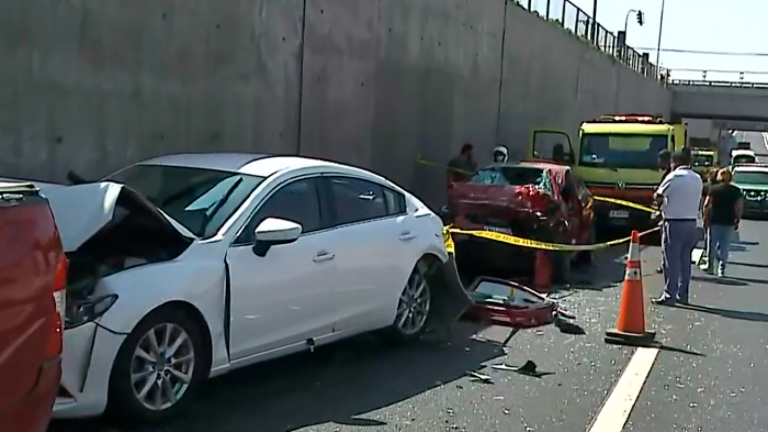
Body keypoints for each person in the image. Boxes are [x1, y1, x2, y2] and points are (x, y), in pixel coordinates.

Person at [652, 150, 703, 306]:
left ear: (675, 162)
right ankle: (683, 293)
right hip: (691, 222)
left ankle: (670, 294)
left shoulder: (673, 177)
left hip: (674, 221)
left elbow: (658, 195)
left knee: (671, 260)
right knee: (685, 260)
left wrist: (659, 206)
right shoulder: (697, 178)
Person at [702, 168, 743, 277]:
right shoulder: (736, 191)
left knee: (711, 244)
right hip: (729, 220)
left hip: (714, 219)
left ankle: (710, 266)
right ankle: (721, 268)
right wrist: (737, 219)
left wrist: (705, 217)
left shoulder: (714, 190)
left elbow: (707, 205)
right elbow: (738, 207)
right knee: (725, 245)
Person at [654, 149, 672, 274]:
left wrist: (658, 211)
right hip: (672, 213)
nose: (658, 163)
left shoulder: (669, 176)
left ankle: (666, 266)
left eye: (660, 160)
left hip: (668, 214)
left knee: (667, 243)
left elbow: (660, 196)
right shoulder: (669, 174)